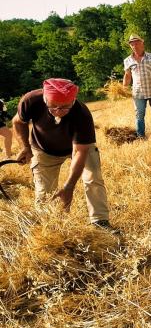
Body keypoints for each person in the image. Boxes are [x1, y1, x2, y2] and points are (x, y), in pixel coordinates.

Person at [12, 79, 112, 230]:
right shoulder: (30, 100)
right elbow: (18, 122)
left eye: (65, 107)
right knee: (44, 193)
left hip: (77, 148)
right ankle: (52, 227)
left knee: (93, 177)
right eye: (53, 106)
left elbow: (79, 151)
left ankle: (100, 221)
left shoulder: (81, 113)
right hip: (43, 149)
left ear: (73, 100)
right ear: (45, 99)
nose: (58, 111)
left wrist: (69, 186)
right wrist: (25, 147)